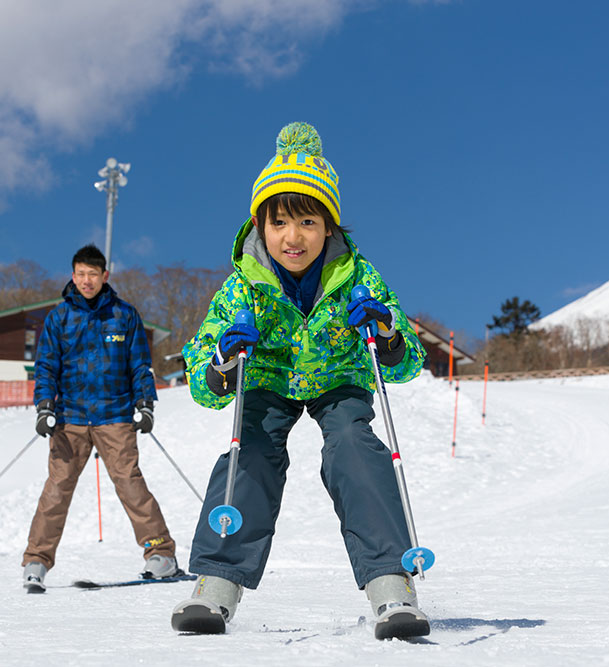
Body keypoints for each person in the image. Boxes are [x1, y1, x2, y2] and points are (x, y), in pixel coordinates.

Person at [171, 122, 430, 638]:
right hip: (268, 382)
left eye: (308, 221)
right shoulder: (245, 283)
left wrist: (387, 333)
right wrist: (223, 362)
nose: (294, 237)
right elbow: (201, 376)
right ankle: (217, 583)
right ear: (260, 228)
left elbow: (407, 363)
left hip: (338, 381)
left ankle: (391, 585)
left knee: (355, 449)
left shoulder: (358, 276)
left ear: (329, 227)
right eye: (280, 223)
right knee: (250, 453)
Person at [21, 244, 177, 592]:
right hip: (70, 417)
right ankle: (36, 561)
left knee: (129, 483)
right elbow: (46, 366)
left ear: (105, 276)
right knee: (57, 489)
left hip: (115, 414)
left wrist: (145, 403)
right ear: (72, 276)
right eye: (80, 274)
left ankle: (161, 554)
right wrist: (44, 406)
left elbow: (139, 364)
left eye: (93, 274)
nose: (86, 280)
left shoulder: (124, 315)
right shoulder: (59, 318)